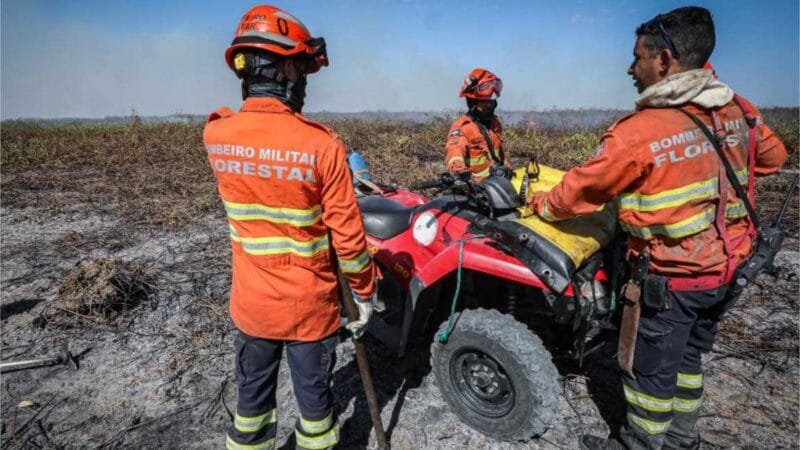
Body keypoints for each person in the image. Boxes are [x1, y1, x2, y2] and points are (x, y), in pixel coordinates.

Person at [527, 6, 787, 450]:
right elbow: (773, 160)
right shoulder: (739, 110)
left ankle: (639, 445)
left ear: (664, 60)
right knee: (688, 360)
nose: (631, 68)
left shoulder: (639, 132)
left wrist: (541, 205)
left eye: (638, 58)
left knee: (650, 375)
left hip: (674, 281)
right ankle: (683, 439)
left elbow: (578, 192)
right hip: (728, 271)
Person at [204, 5, 376, 450]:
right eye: (301, 67)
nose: (303, 80)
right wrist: (363, 293)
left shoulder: (217, 135)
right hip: (309, 312)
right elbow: (349, 238)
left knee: (251, 407)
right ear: (284, 67)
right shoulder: (321, 144)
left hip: (252, 307)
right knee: (316, 410)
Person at [444, 68, 510, 181]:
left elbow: (500, 156)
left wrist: (508, 170)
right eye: (485, 102)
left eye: (491, 101)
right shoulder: (463, 128)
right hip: (477, 192)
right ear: (472, 102)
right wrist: (459, 171)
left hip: (499, 186)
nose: (489, 105)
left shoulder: (494, 123)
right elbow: (454, 151)